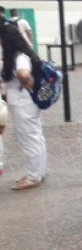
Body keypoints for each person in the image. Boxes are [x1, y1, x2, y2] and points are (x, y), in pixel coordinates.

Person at [0, 25, 47, 190]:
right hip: (26, 101)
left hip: (22, 103)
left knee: (29, 139)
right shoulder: (23, 53)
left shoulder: (19, 57)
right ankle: (38, 171)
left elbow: (23, 73)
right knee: (36, 136)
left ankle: (34, 176)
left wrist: (25, 84)